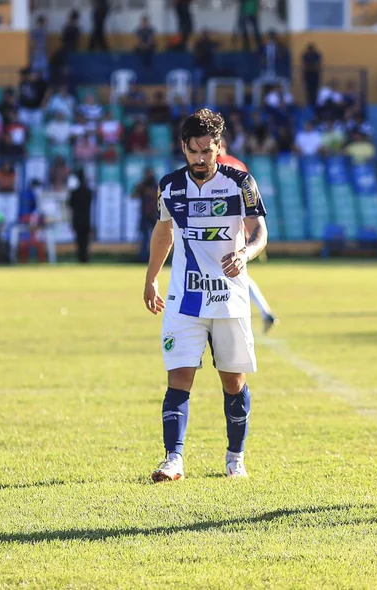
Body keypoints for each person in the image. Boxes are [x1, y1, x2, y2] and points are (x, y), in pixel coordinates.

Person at [144, 108, 269, 482]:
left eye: (207, 152)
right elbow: (163, 234)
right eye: (193, 151)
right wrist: (151, 279)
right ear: (183, 147)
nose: (200, 159)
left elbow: (260, 231)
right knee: (178, 377)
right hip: (185, 298)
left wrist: (245, 253)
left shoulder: (240, 182)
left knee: (233, 382)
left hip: (229, 299)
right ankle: (173, 459)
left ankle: (235, 457)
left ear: (219, 147)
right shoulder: (170, 186)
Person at [217, 139, 279, 333]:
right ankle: (263, 311)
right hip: (242, 226)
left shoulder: (217, 166)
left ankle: (254, 314)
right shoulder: (238, 164)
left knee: (232, 271)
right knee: (235, 271)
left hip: (223, 228)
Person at [68, 168, 94, 263]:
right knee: (85, 241)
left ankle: (80, 257)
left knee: (79, 240)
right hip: (86, 219)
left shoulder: (74, 192)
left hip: (78, 219)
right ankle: (85, 257)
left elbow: (70, 204)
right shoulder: (88, 191)